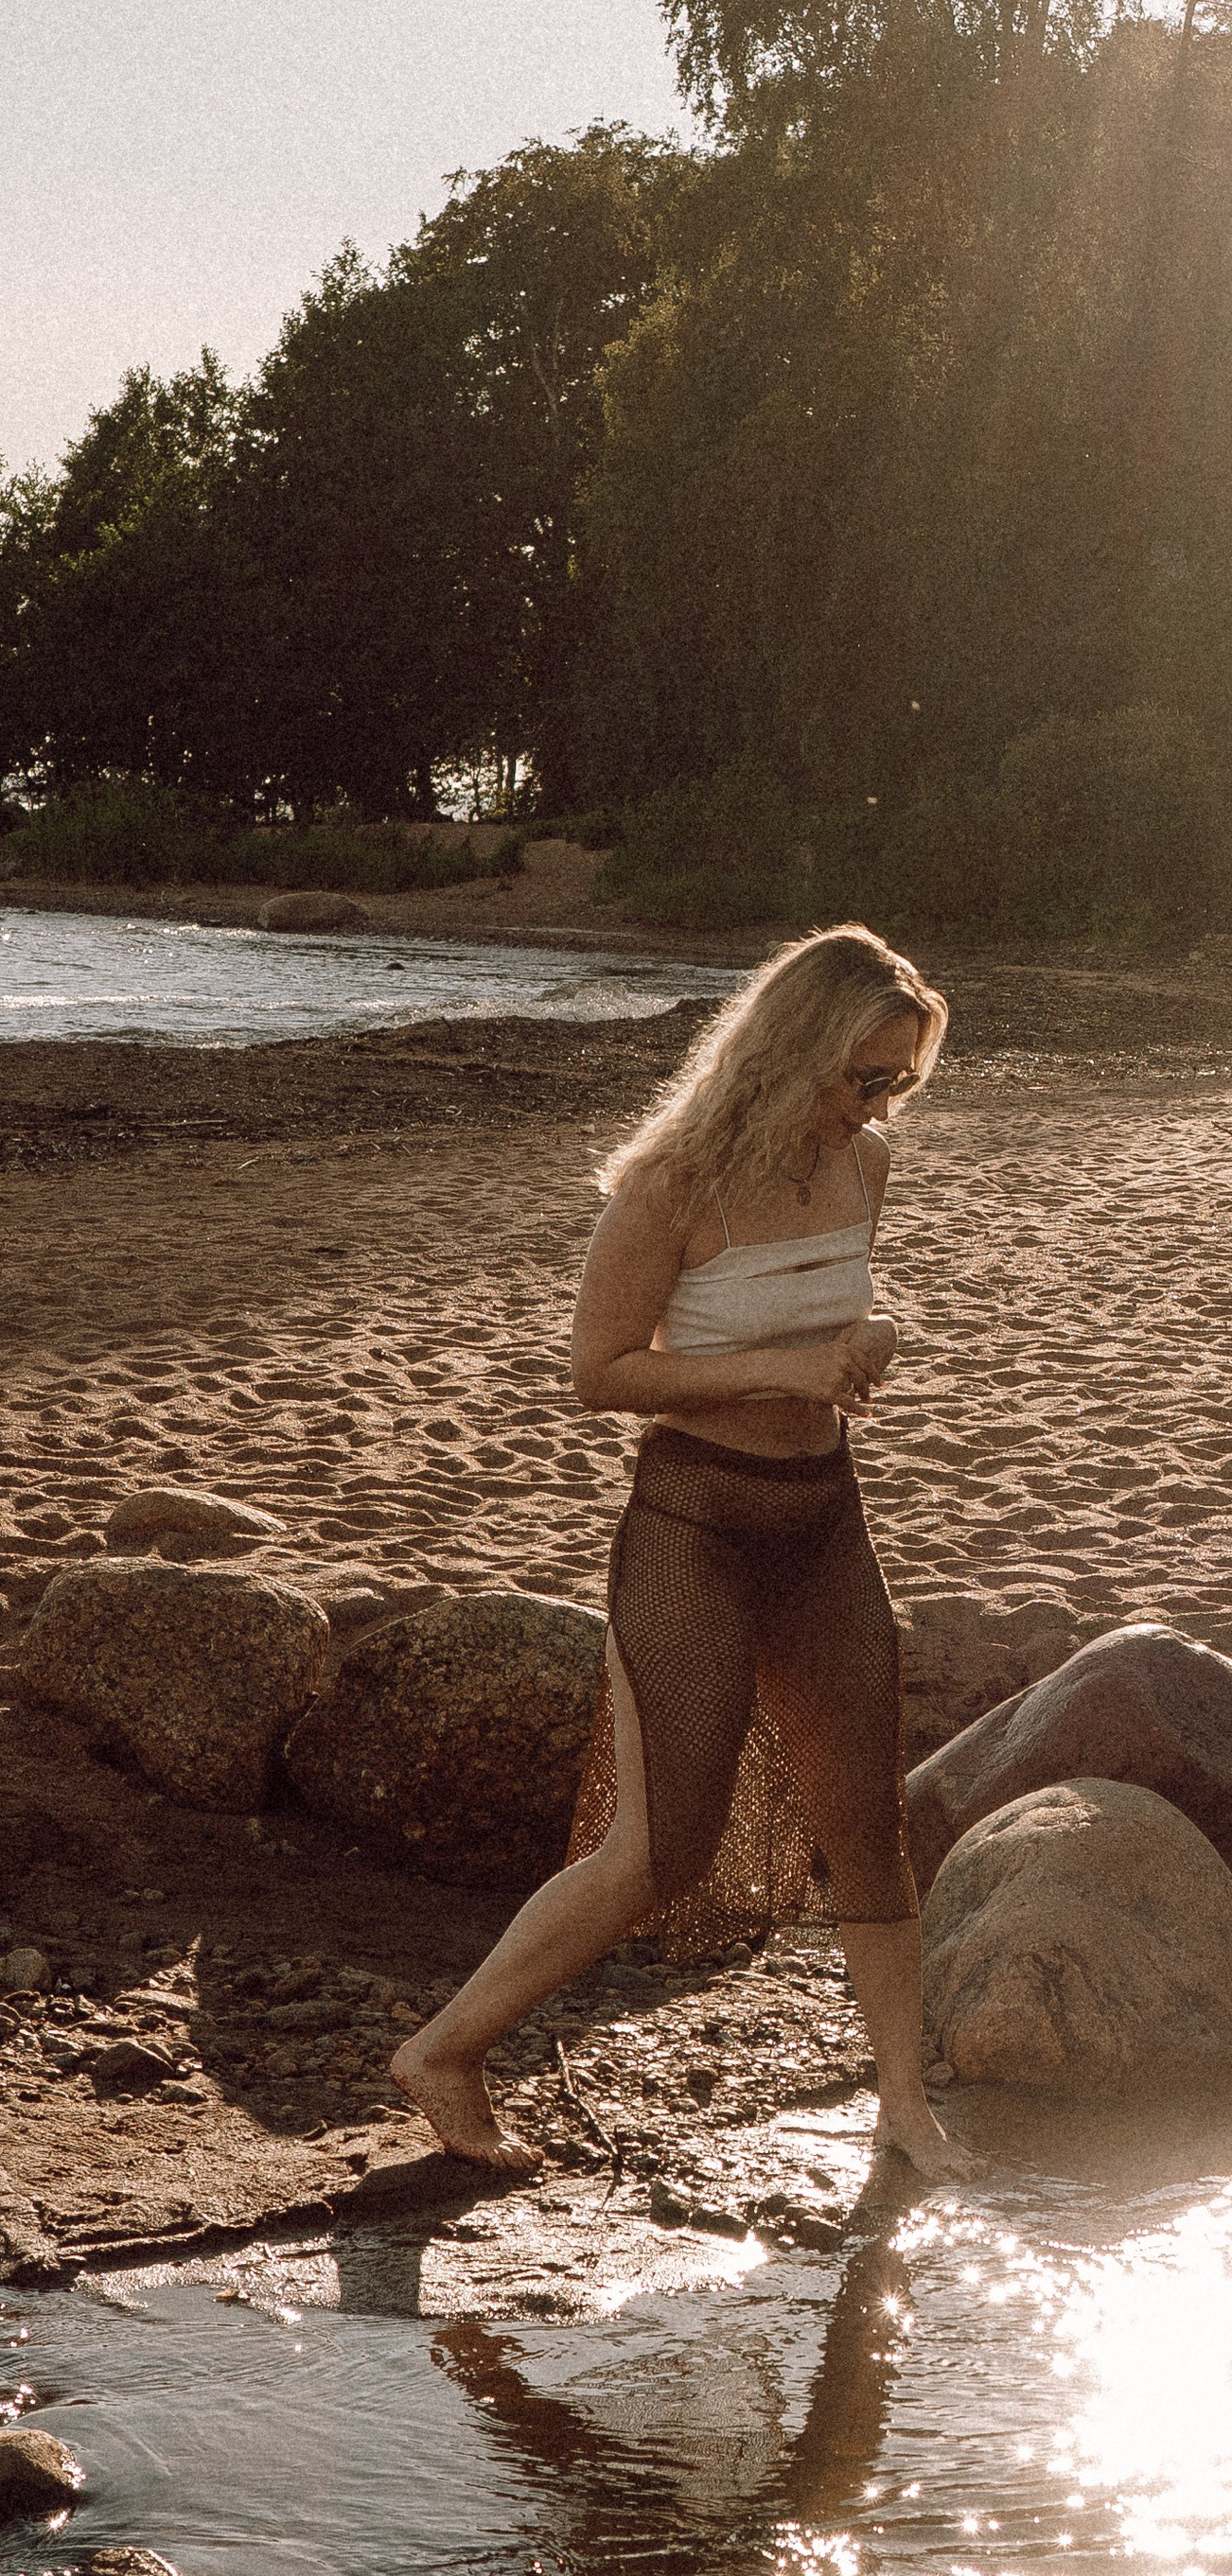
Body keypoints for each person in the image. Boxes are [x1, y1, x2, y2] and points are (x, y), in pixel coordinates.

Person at [392, 921, 977, 2182]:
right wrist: (784, 1366)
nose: (879, 1106)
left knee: (868, 1830)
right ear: (790, 1053)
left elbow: (832, 1306)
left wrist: (867, 1344)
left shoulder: (864, 1164)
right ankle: (444, 2051)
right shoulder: (669, 1189)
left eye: (898, 1084)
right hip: (695, 1529)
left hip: (824, 1521)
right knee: (660, 1850)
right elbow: (598, 1374)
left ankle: (905, 2115)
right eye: (863, 1078)